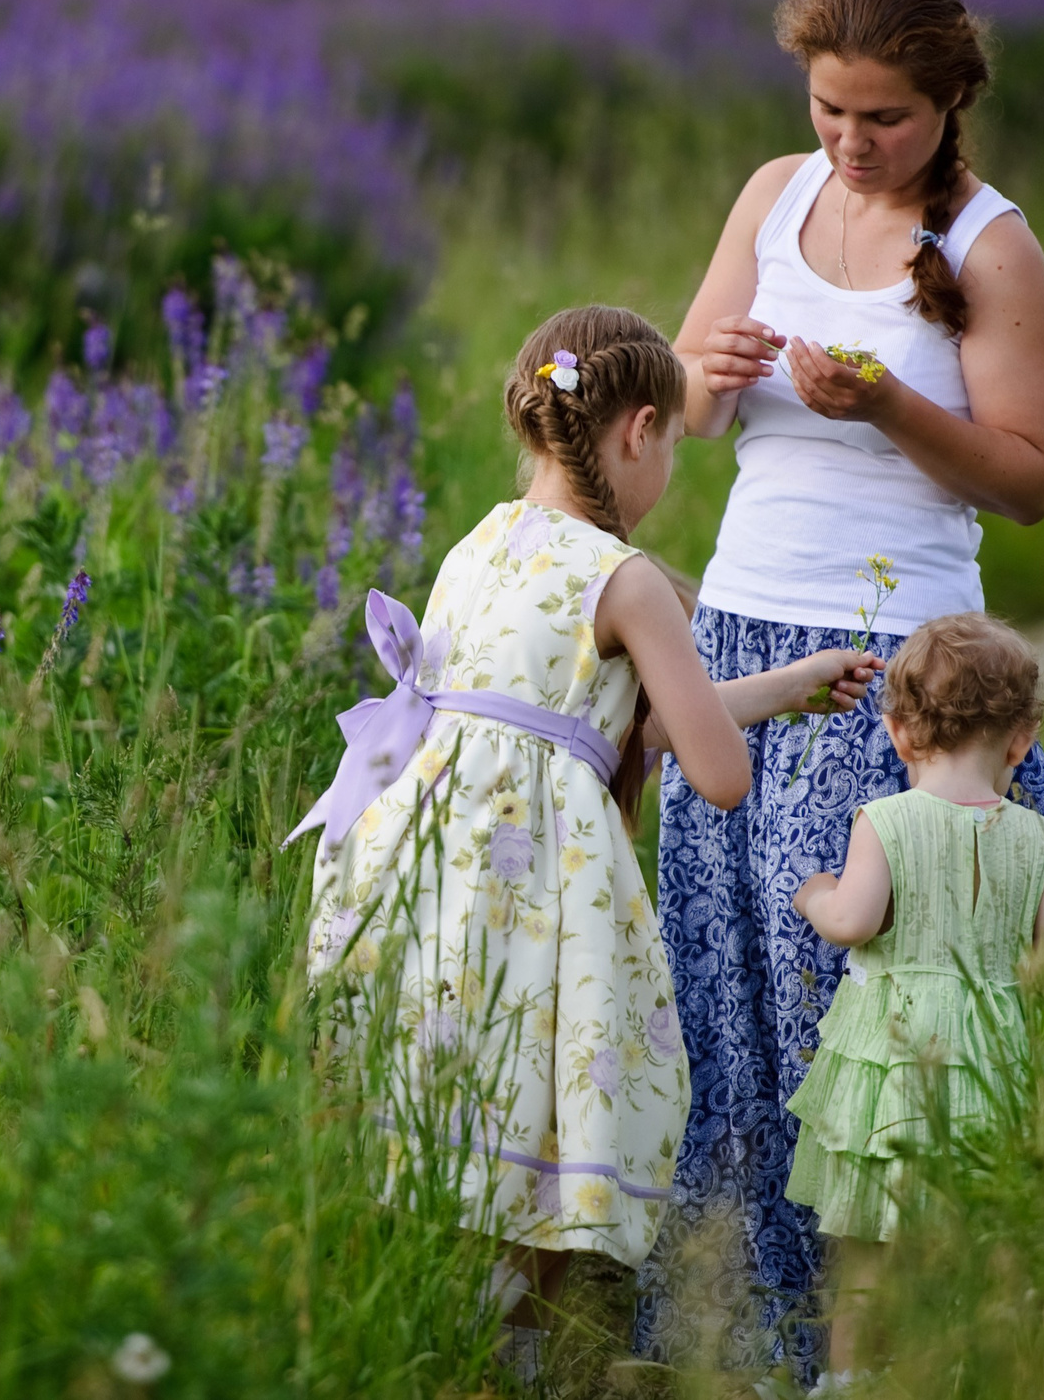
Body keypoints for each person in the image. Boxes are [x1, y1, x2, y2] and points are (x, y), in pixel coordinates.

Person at [636, 0, 1044, 1376]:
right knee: (726, 990)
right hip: (734, 635)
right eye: (831, 109)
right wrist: (706, 374)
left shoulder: (991, 244)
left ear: (949, 99)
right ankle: (736, 1322)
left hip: (892, 664)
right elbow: (696, 410)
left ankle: (877, 1333)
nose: (850, 141)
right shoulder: (775, 192)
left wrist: (890, 398)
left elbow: (1029, 482)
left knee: (852, 996)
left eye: (883, 117)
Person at [288, 306, 879, 1383]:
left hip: (436, 875)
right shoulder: (629, 575)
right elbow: (710, 767)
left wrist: (789, 686)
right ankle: (515, 1356)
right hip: (537, 891)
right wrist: (738, 709)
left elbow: (596, 713)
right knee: (541, 1111)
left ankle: (462, 1343)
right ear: (641, 429)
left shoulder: (480, 540)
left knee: (469, 1106)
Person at [785, 613, 1044, 1384]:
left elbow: (852, 920)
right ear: (1021, 741)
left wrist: (816, 894)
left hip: (894, 1065)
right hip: (991, 1060)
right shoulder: (1034, 836)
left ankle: (849, 1380)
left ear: (898, 732)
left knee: (867, 1245)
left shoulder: (886, 822)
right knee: (972, 1236)